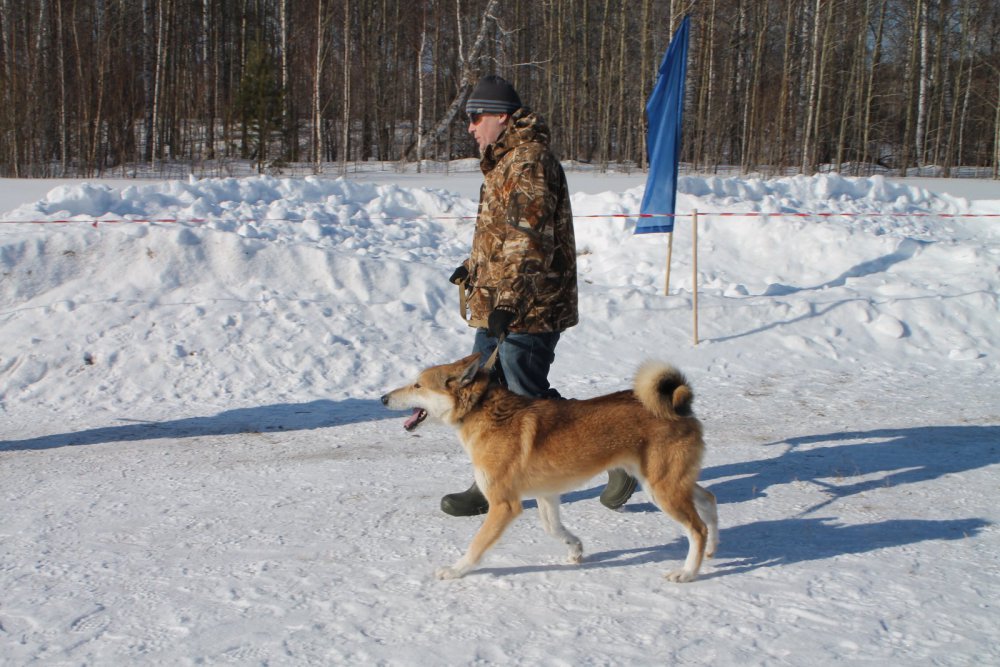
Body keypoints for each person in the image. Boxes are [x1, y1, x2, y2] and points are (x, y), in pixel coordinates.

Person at [441, 74, 638, 516]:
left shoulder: (529, 161)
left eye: (476, 117)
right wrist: (473, 268)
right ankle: (488, 479)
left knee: (527, 396)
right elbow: (499, 235)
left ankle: (617, 457)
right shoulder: (502, 161)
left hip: (530, 305)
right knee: (484, 393)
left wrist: (509, 300)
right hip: (499, 301)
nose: (470, 127)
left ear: (502, 117)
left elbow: (528, 239)